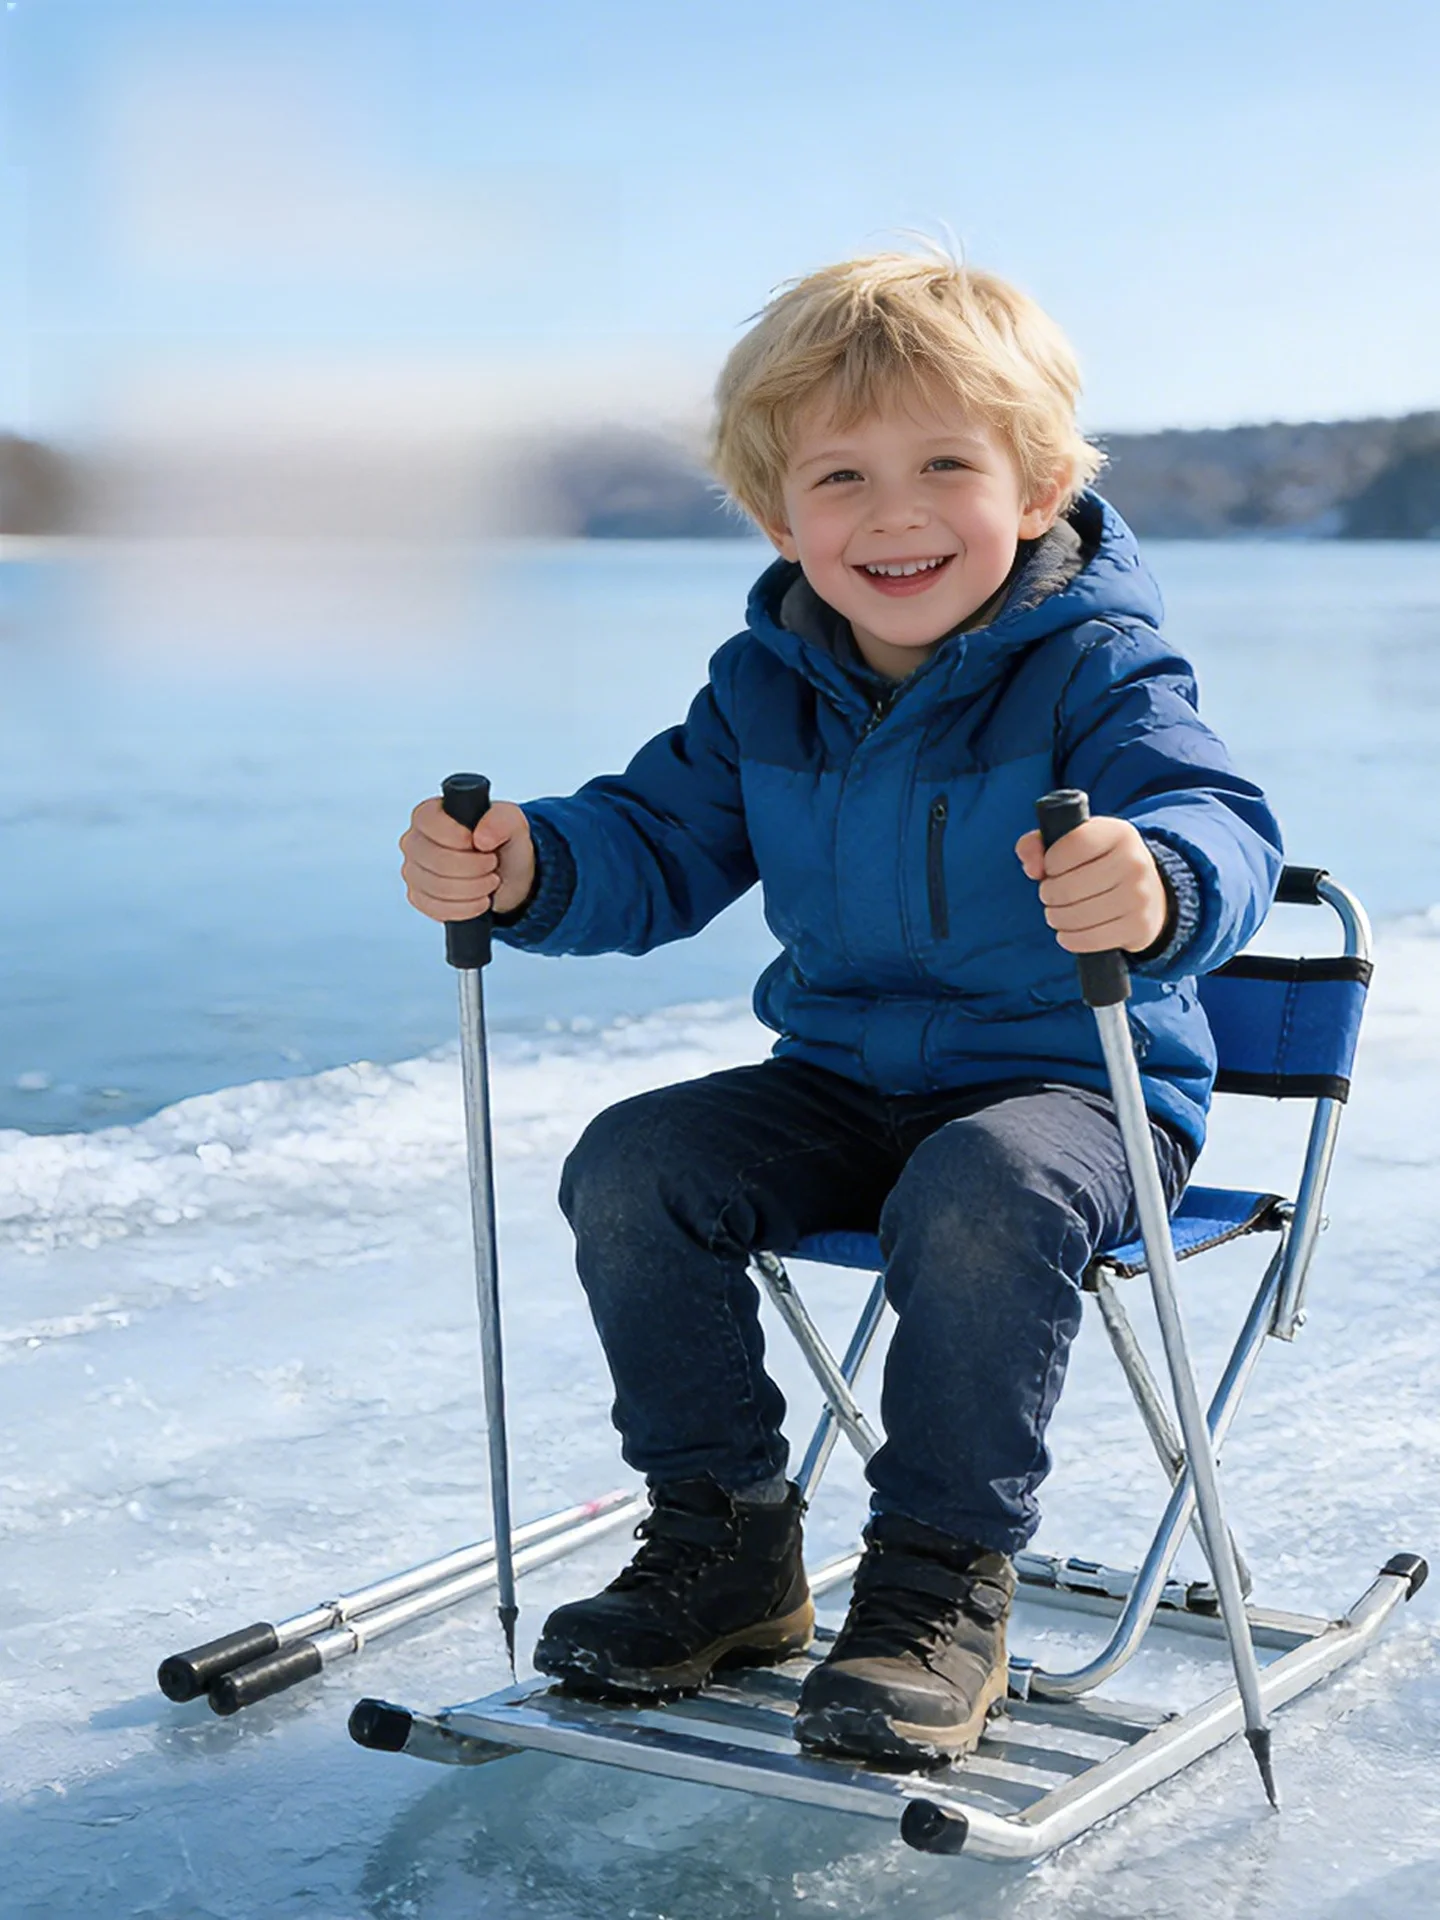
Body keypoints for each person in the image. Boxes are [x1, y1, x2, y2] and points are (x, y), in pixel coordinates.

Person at [399, 252, 1283, 1769]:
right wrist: (532, 861)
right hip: (844, 1084)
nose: (893, 515)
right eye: (842, 476)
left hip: (1076, 1097)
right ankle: (727, 1544)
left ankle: (940, 1584)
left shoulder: (1097, 668)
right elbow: (654, 843)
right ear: (776, 512)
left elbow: (1218, 818)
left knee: (980, 1183)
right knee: (637, 1161)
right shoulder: (767, 688)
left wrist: (1163, 882)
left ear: (1041, 481)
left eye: (948, 463)